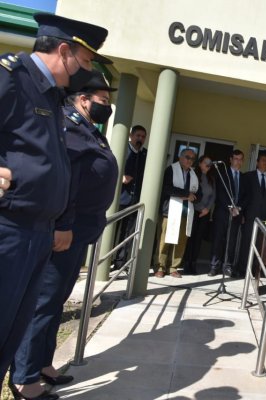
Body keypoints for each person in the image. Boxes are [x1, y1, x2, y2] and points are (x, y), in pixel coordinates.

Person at [0, 12, 111, 390]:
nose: (87, 70)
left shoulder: (49, 94)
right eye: (85, 61)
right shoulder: (11, 77)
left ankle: (22, 381)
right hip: (10, 228)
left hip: (38, 232)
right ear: (64, 51)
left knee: (13, 329)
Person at [155, 148, 200, 278]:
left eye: (192, 158)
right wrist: (186, 194)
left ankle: (173, 267)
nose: (189, 160)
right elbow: (167, 188)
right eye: (187, 157)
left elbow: (198, 193)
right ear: (180, 157)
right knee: (165, 240)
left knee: (180, 242)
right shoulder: (171, 169)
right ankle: (160, 266)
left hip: (186, 212)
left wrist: (194, 197)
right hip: (169, 211)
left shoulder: (193, 174)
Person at [113, 125, 147, 270]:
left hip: (134, 201)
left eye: (143, 136)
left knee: (127, 233)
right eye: (138, 135)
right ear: (131, 136)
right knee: (112, 230)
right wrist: (120, 178)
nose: (140, 139)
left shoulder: (145, 154)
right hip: (119, 199)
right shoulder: (122, 150)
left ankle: (120, 263)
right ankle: (106, 259)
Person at [208, 149, 245, 277]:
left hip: (236, 215)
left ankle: (227, 266)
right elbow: (219, 193)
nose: (238, 161)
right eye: (236, 158)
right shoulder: (222, 173)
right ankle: (214, 266)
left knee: (232, 241)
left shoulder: (244, 177)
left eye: (240, 159)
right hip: (222, 212)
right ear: (230, 159)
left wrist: (239, 209)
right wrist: (229, 207)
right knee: (218, 239)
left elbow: (246, 197)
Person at [238, 153, 266, 276]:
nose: (265, 163)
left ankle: (255, 270)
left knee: (260, 245)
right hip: (249, 216)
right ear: (257, 162)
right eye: (263, 160)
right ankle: (243, 269)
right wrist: (241, 214)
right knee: (246, 243)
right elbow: (242, 196)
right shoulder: (248, 176)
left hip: (265, 218)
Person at [181, 155, 215, 275]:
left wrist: (207, 209)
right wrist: (199, 208)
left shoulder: (212, 178)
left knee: (198, 239)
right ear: (200, 163)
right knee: (190, 238)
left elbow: (213, 196)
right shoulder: (193, 175)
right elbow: (191, 192)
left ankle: (193, 263)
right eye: (206, 162)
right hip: (193, 211)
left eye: (210, 163)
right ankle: (186, 263)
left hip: (205, 213)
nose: (208, 165)